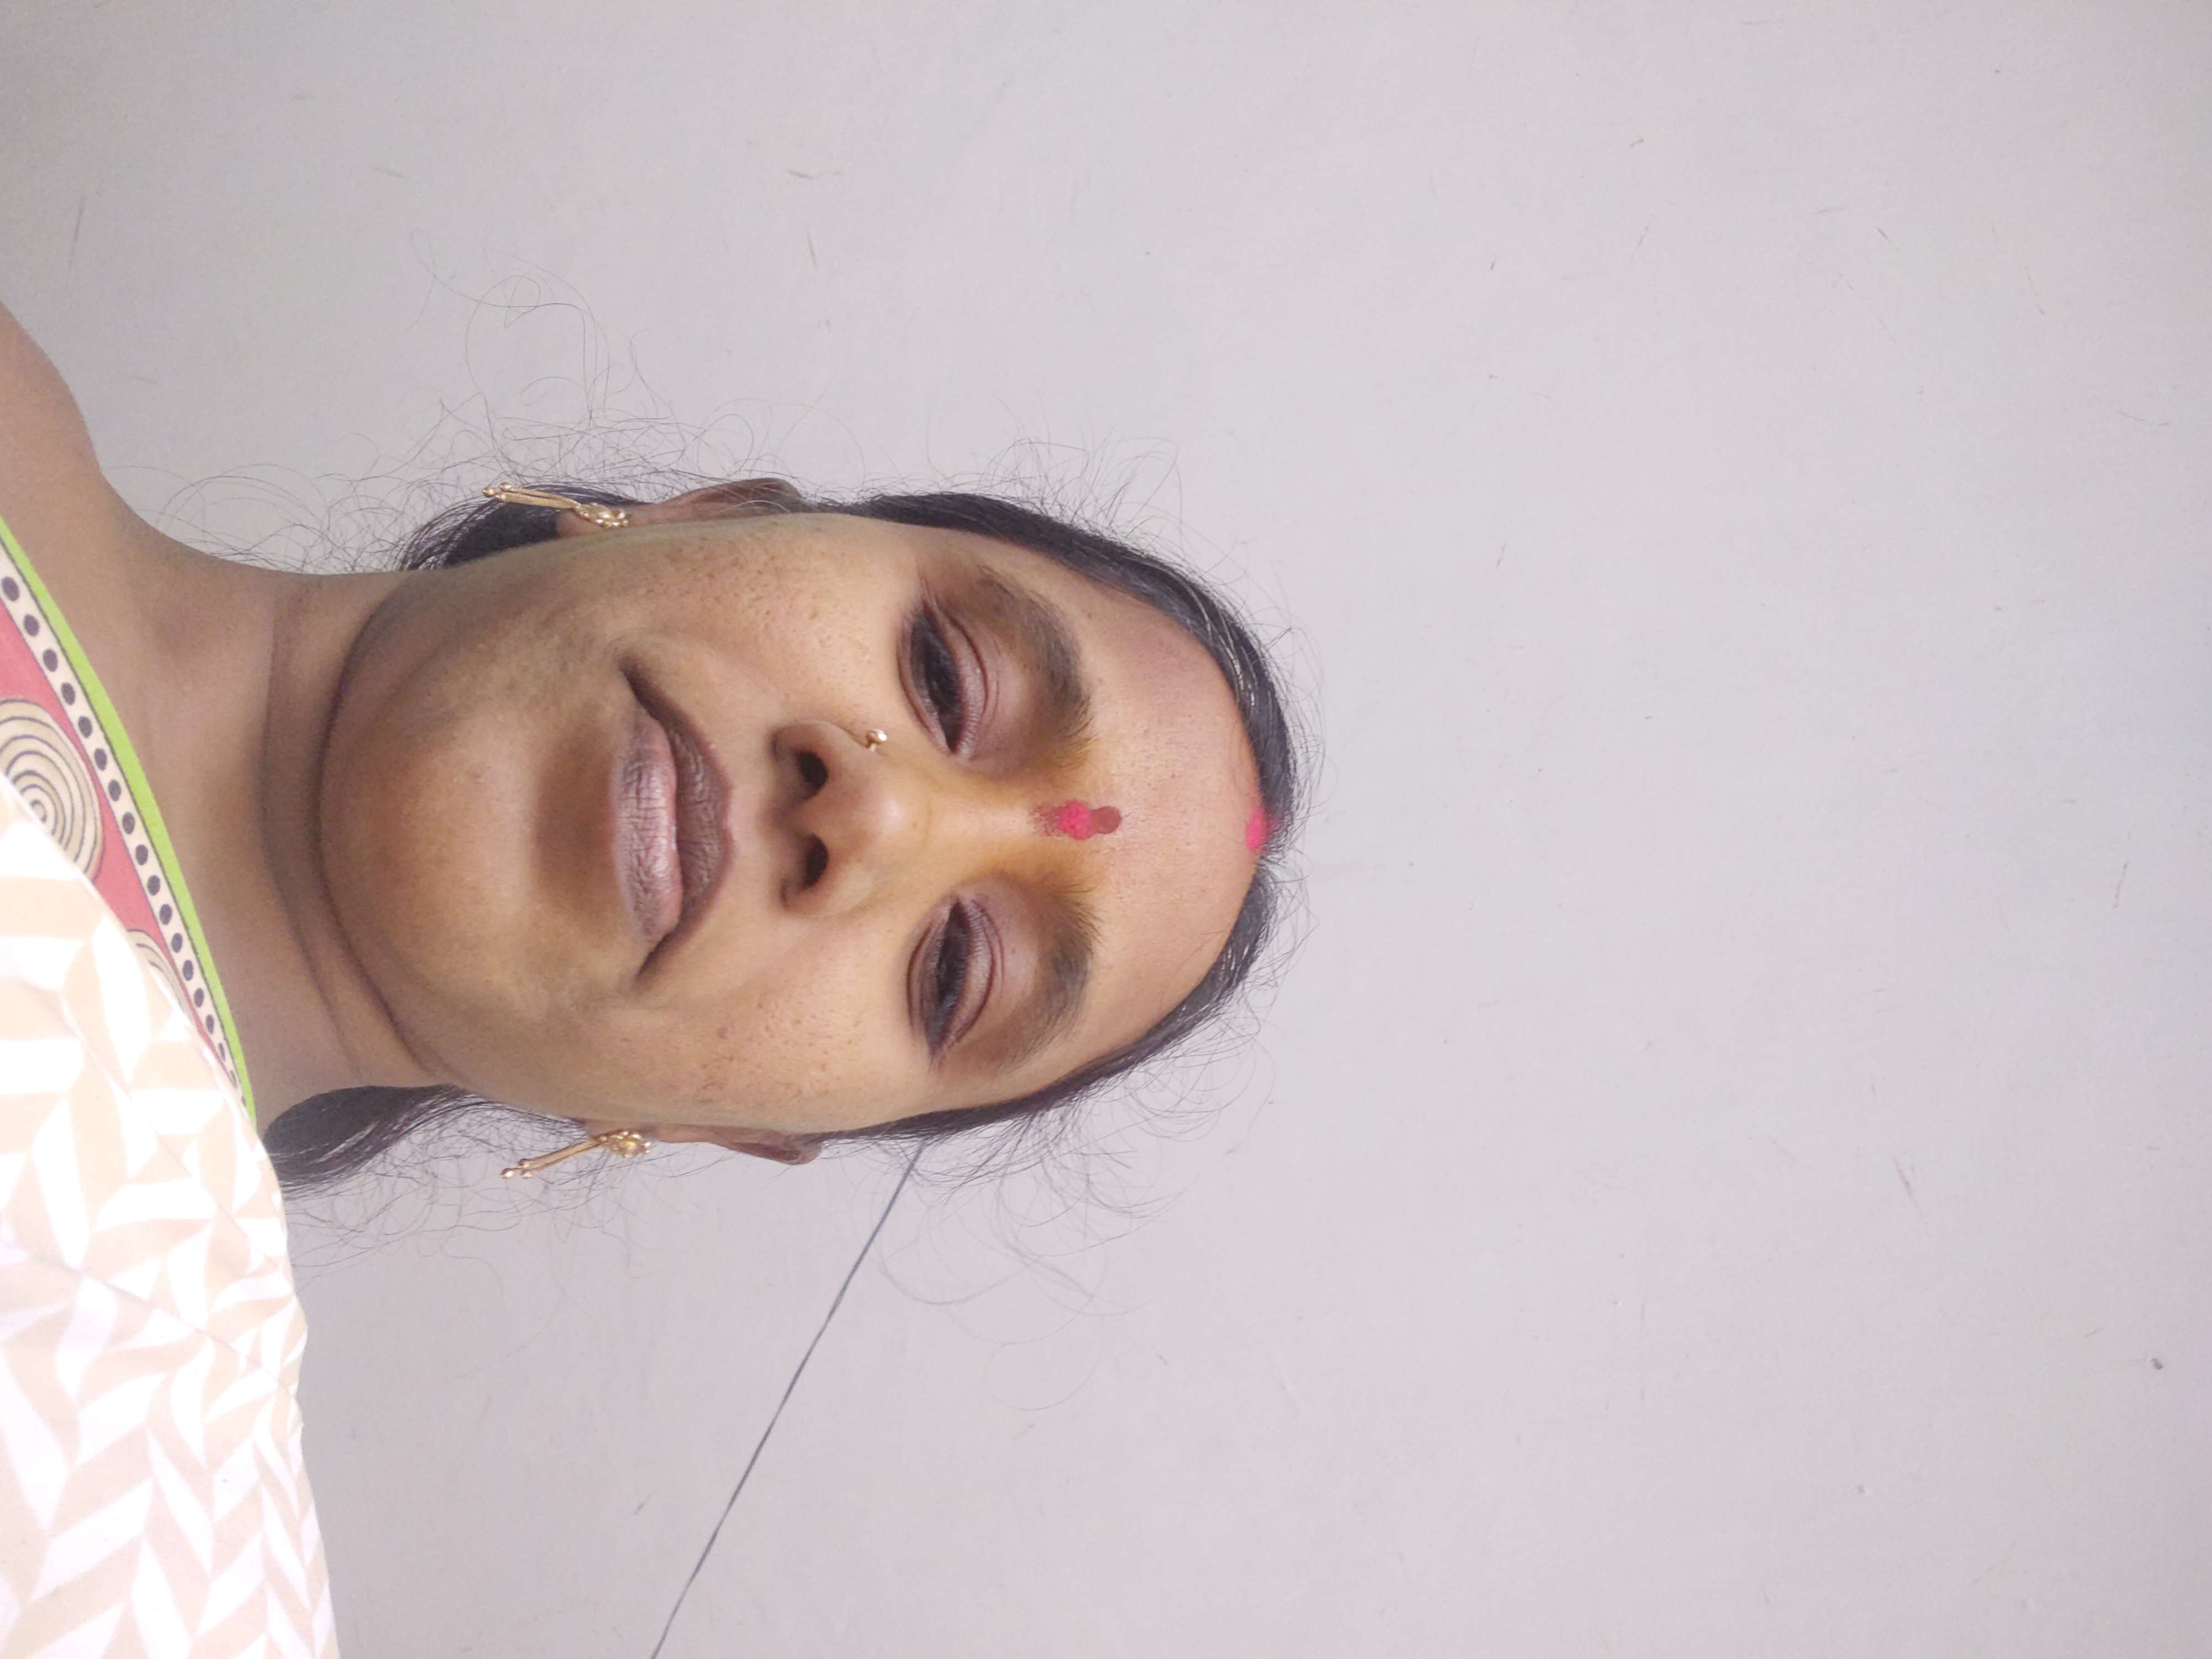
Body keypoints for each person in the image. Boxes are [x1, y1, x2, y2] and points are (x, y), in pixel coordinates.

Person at [0, 299, 1301, 1649]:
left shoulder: (140, 1541)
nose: (871, 820)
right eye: (942, 674)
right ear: (705, 515)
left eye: (953, 971)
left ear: (717, 1127)